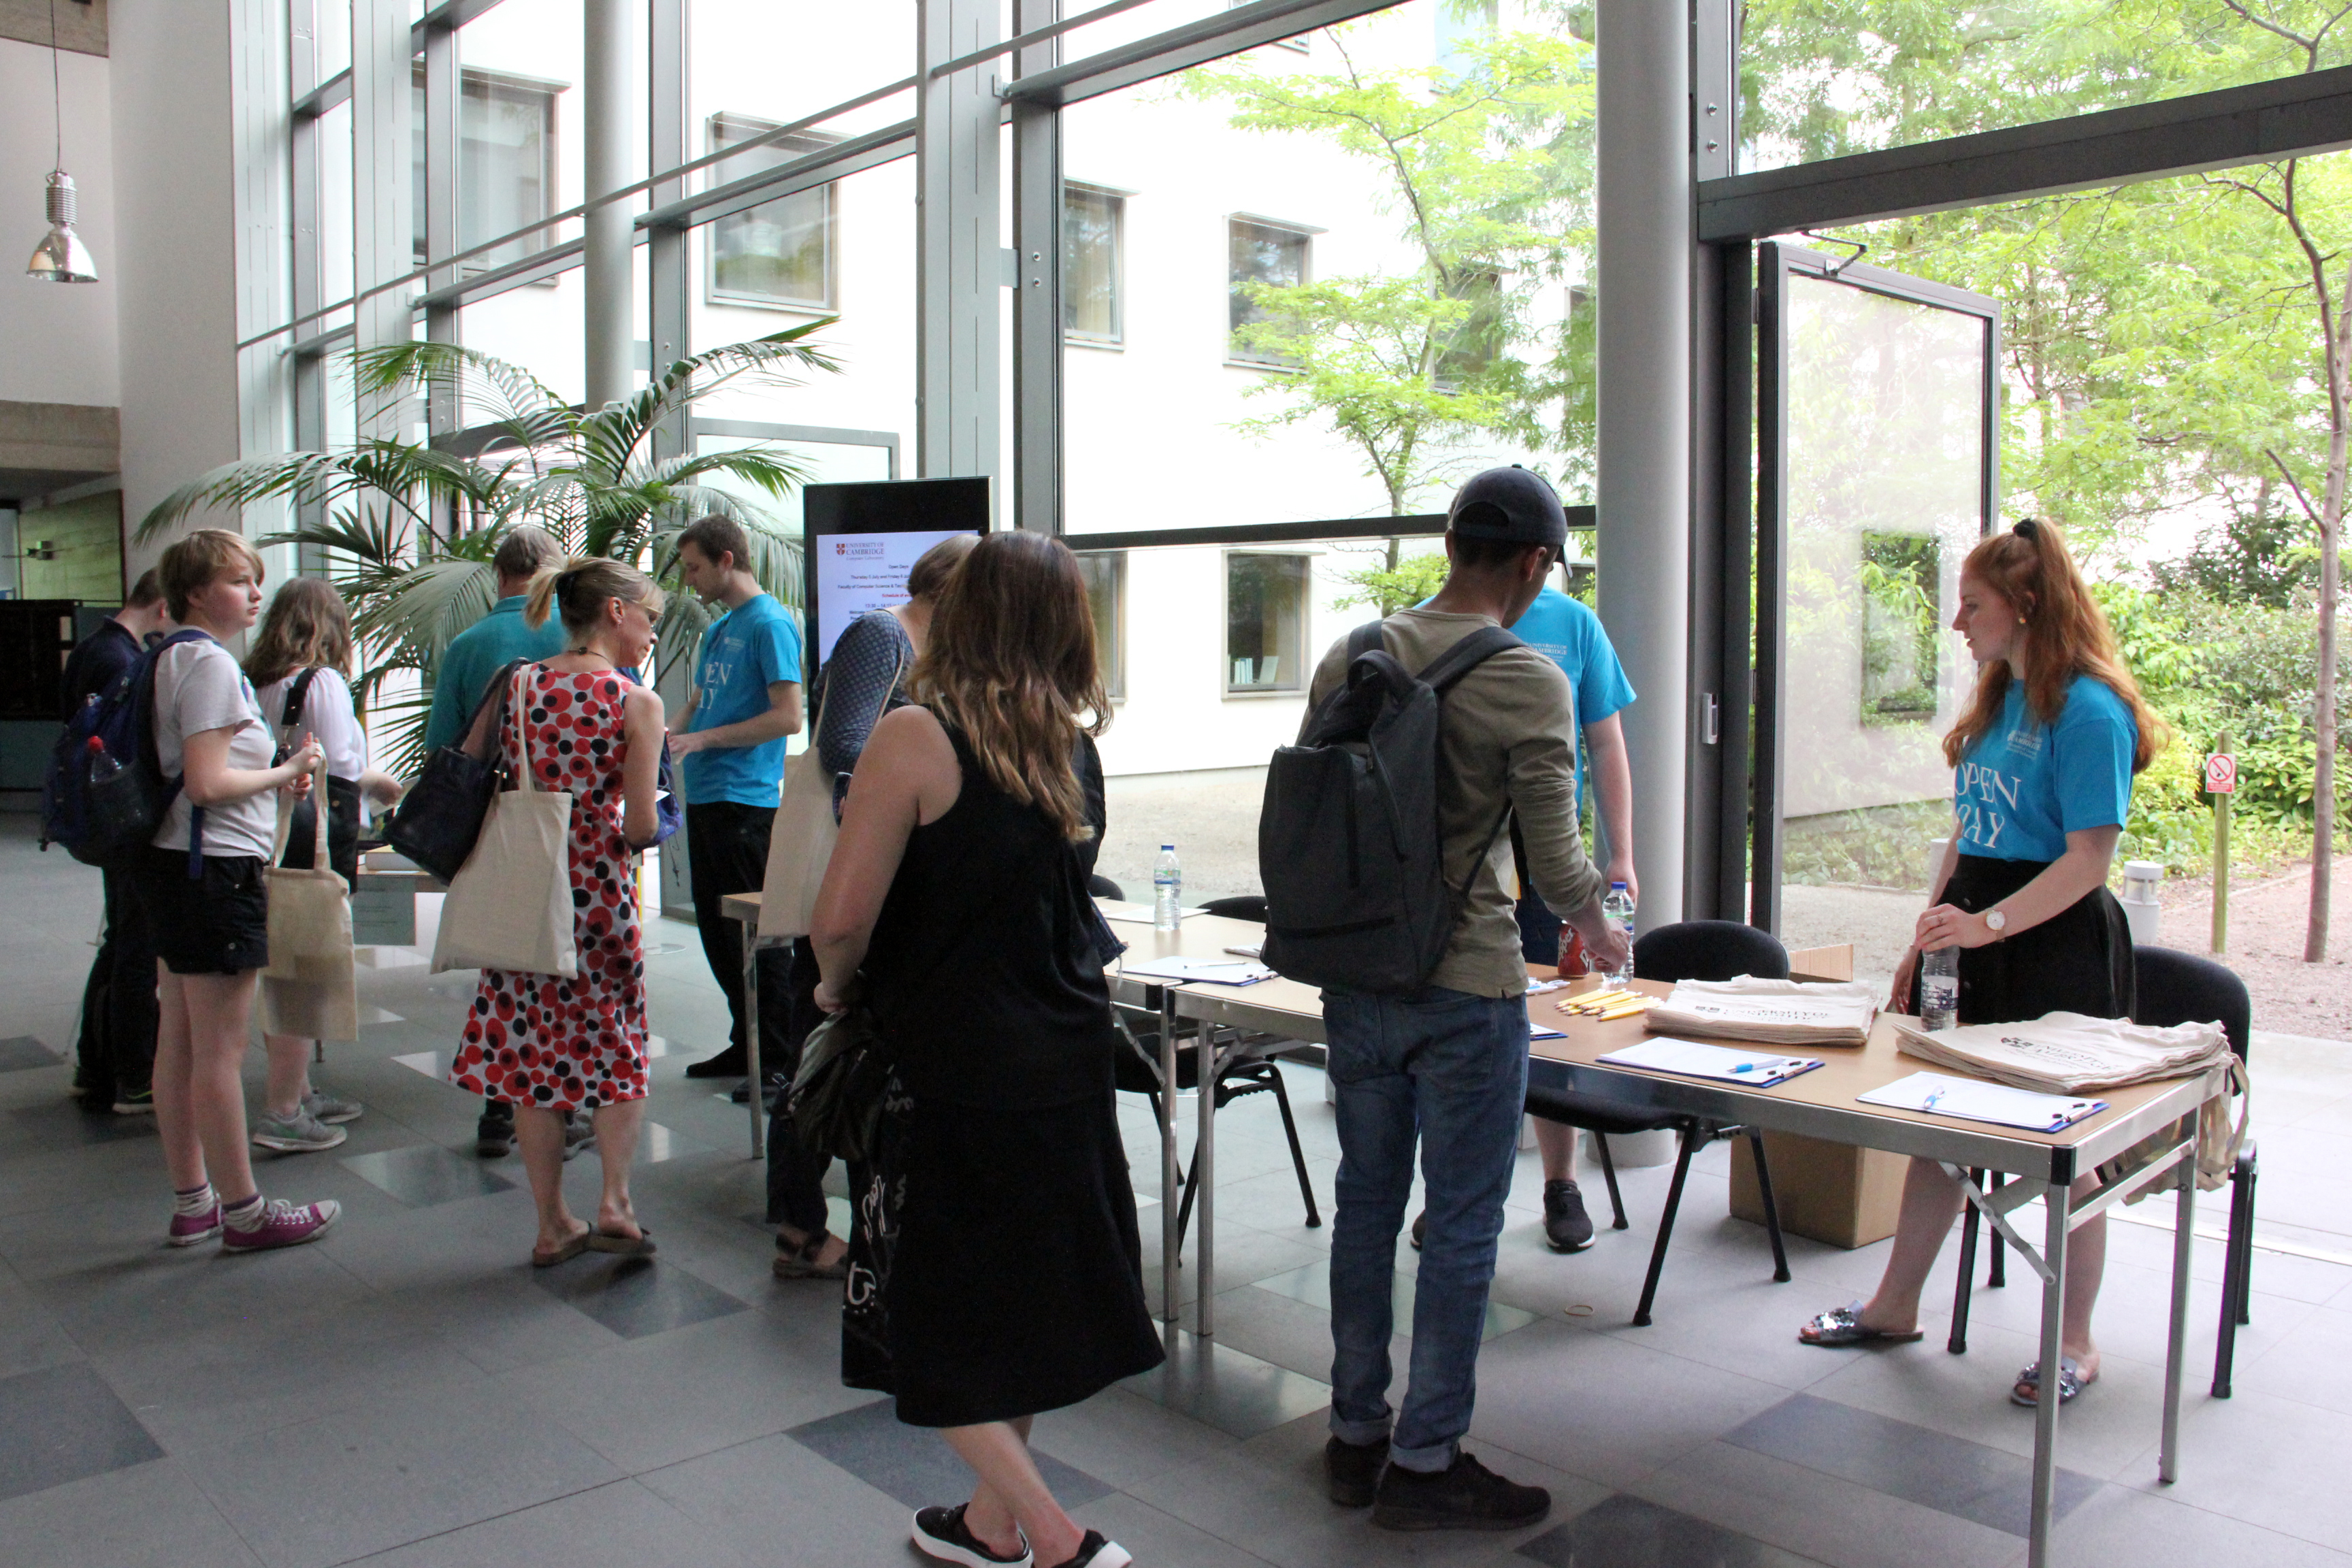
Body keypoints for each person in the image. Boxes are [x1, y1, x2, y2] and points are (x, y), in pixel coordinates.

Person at [811, 531, 1158, 1568]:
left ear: (963, 613)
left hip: (950, 1065)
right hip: (1063, 1053)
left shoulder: (917, 734)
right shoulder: (1070, 745)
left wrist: (834, 985)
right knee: (1023, 1306)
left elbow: (842, 916)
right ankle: (988, 1523)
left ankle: (1058, 1540)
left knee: (925, 1315)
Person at [1309, 467, 1632, 1533]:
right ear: (1535, 565)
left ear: (1451, 545)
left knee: (1365, 1205)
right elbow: (1557, 865)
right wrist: (1605, 929)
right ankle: (1426, 1460)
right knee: (1458, 1225)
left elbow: (1314, 809)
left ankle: (1354, 1435)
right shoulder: (1528, 677)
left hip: (1358, 978)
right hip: (1467, 986)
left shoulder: (1353, 652)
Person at [1798, 517, 2165, 1410]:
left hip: (2053, 938)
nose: (1957, 622)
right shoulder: (2000, 697)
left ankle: (2073, 1344)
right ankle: (1894, 1308)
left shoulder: (2089, 709)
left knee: (2060, 1149)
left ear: (2026, 605)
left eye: (1972, 605)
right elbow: (1970, 828)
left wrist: (1986, 925)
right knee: (1940, 1126)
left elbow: (2089, 862)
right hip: (1977, 927)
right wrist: (1930, 932)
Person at [766, 531, 975, 1283]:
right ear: (951, 591)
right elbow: (845, 747)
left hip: (876, 875)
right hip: (849, 873)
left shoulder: (924, 651)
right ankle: (799, 1222)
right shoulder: (882, 635)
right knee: (821, 1056)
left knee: (843, 1054)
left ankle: (852, 1223)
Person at [445, 557, 666, 1267]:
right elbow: (639, 826)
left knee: (531, 1051)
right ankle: (615, 1204)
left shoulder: (518, 684)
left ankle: (551, 1224)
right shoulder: (634, 701)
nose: (652, 635)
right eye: (650, 619)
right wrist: (659, 821)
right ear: (616, 612)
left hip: (527, 890)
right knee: (618, 1041)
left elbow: (472, 765)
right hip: (599, 894)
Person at [1409, 574, 1639, 1255]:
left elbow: (1605, 742)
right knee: (1453, 1025)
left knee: (1554, 1018)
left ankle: (1561, 1184)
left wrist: (1621, 853)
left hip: (1546, 854)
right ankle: (1448, 1190)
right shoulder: (1424, 625)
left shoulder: (1574, 624)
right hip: (1458, 866)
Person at [137, 529, 339, 1252]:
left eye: (255, 581)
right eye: (237, 581)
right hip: (215, 870)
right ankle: (246, 1212)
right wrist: (289, 771)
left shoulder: (166, 656)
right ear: (197, 592)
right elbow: (207, 781)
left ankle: (194, 1200)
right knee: (217, 1053)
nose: (255, 594)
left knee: (181, 1041)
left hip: (174, 865)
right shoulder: (210, 665)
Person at [419, 525, 568, 1158]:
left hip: (496, 825)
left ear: (500, 576)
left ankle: (499, 1108)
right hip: (572, 828)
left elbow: (443, 747)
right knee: (568, 965)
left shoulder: (468, 644)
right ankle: (562, 1102)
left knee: (507, 965)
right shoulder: (578, 635)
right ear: (550, 573)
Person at [243, 578, 405, 1154]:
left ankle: (299, 1090)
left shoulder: (256, 681)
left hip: (269, 831)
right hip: (315, 837)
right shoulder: (323, 682)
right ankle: (284, 1109)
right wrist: (382, 785)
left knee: (285, 958)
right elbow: (339, 768)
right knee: (306, 964)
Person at [666, 515, 804, 1089]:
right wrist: (668, 736)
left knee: (754, 935)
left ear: (727, 560)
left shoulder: (770, 624)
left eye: (695, 567)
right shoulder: (722, 629)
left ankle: (776, 1055)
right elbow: (700, 700)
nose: (689, 580)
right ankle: (745, 1042)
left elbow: (788, 717)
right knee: (719, 933)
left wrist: (702, 741)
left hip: (745, 802)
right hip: (708, 796)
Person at [63, 568, 171, 1115]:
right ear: (163, 607)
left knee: (120, 942)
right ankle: (134, 1073)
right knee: (134, 947)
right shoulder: (122, 660)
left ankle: (97, 1063)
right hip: (124, 818)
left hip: (103, 815)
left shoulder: (93, 649)